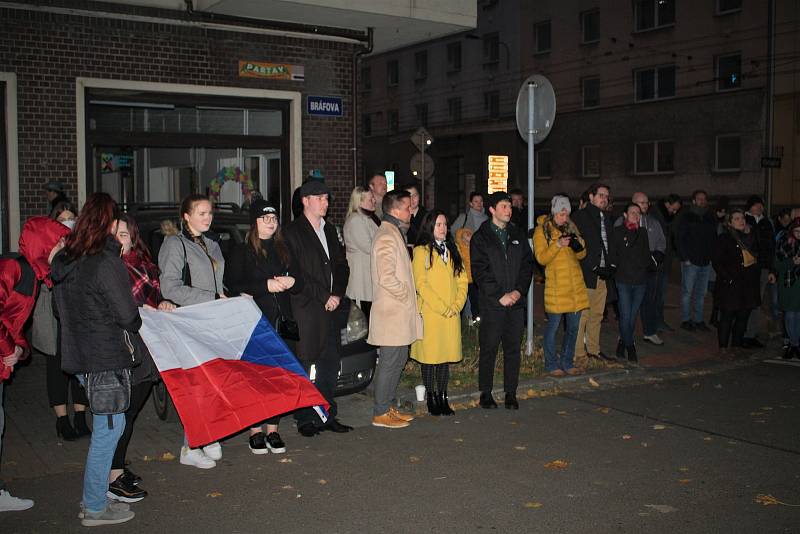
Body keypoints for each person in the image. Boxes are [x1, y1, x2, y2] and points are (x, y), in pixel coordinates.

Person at [51, 193, 139, 526]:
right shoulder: (104, 261)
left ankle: (94, 500)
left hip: (80, 358)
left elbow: (58, 310)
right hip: (105, 360)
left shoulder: (67, 260)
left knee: (105, 430)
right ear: (109, 222)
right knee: (108, 433)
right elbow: (128, 315)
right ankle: (94, 506)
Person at [0, 216, 69, 513]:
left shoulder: (35, 276)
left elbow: (16, 327)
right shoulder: (13, 268)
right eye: (59, 241)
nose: (63, 247)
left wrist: (19, 350)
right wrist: (7, 349)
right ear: (45, 243)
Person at [225, 199, 302, 454]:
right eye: (264, 218)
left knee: (279, 378)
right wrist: (264, 286)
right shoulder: (241, 249)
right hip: (254, 323)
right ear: (254, 222)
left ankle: (273, 429)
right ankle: (255, 430)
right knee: (255, 378)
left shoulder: (285, 247)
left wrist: (291, 280)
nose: (270, 223)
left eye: (274, 218)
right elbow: (232, 284)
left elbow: (300, 280)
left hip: (282, 322)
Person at [106, 214, 174, 503]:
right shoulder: (108, 267)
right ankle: (112, 474)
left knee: (131, 411)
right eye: (113, 234)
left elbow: (154, 296)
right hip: (123, 346)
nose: (118, 239)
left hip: (148, 346)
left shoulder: (145, 265)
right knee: (121, 413)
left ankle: (117, 467)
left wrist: (163, 302)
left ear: (133, 237)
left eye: (123, 234)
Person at [158, 194, 225, 469]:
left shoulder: (212, 244)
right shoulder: (175, 244)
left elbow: (219, 284)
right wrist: (210, 297)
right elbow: (170, 287)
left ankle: (207, 435)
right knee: (198, 385)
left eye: (209, 212)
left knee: (212, 382)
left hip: (213, 320)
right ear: (186, 216)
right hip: (190, 321)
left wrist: (227, 297)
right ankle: (190, 446)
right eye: (201, 213)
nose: (207, 217)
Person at [283, 180, 353, 437]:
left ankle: (326, 413)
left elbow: (342, 265)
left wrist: (337, 294)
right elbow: (296, 272)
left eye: (327, 198)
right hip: (307, 309)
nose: (325, 203)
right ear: (305, 200)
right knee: (304, 365)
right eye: (320, 198)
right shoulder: (291, 232)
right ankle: (304, 418)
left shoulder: (330, 229)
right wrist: (324, 295)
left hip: (332, 307)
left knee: (329, 364)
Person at [31, 201, 90, 441]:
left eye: (71, 218)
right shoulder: (45, 243)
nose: (68, 223)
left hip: (77, 311)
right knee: (56, 365)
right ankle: (62, 420)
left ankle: (80, 416)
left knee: (80, 362)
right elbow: (42, 272)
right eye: (63, 219)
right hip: (53, 311)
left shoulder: (81, 244)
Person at [471, 192, 534, 410]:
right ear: (492, 210)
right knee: (489, 348)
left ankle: (510, 392)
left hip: (515, 303)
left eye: (510, 206)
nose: (509, 210)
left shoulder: (517, 233)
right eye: (504, 206)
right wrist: (500, 295)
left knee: (512, 349)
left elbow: (528, 265)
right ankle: (485, 393)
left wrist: (518, 291)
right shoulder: (481, 237)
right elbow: (480, 271)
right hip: (492, 304)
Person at [369, 190, 421, 428]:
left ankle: (387, 406)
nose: (411, 210)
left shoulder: (394, 232)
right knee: (389, 362)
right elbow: (386, 277)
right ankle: (380, 412)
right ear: (394, 210)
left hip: (398, 313)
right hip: (392, 314)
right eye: (407, 206)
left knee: (398, 359)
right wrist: (406, 296)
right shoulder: (387, 236)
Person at [410, 210, 468, 415]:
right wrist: (443, 307)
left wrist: (457, 305)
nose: (443, 229)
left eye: (445, 224)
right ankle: (431, 398)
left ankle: (443, 396)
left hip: (450, 314)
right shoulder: (421, 251)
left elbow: (462, 280)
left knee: (444, 358)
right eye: (439, 225)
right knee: (430, 358)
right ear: (429, 227)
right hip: (432, 313)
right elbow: (421, 284)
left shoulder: (453, 249)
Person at [533, 196, 589, 377]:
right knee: (553, 328)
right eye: (562, 214)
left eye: (567, 214)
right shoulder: (542, 231)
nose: (565, 218)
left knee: (573, 328)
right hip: (556, 288)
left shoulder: (571, 227)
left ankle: (567, 361)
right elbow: (541, 258)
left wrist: (576, 245)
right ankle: (551, 364)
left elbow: (582, 255)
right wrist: (557, 244)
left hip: (575, 288)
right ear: (554, 212)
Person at [572, 183, 616, 364]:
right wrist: (591, 266)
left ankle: (593, 350)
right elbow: (577, 245)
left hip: (602, 275)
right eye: (600, 195)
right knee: (582, 314)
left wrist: (612, 264)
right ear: (591, 197)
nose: (604, 199)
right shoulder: (581, 217)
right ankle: (578, 353)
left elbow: (609, 244)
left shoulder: (605, 217)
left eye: (606, 196)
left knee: (597, 314)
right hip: (586, 274)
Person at [712, 209, 762, 356]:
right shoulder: (724, 238)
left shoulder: (751, 237)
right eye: (737, 219)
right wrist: (729, 278)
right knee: (727, 316)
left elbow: (759, 255)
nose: (741, 221)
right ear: (730, 223)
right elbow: (717, 261)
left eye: (742, 218)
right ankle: (723, 347)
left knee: (743, 315)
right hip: (731, 285)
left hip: (748, 284)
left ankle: (736, 344)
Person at [618, 192, 666, 346]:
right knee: (628, 306)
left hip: (649, 268)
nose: (645, 205)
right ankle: (625, 334)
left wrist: (655, 260)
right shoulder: (621, 222)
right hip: (629, 270)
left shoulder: (653, 222)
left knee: (649, 301)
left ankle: (650, 332)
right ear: (632, 203)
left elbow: (661, 243)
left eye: (646, 202)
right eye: (641, 202)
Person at [610, 203, 652, 363]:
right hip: (623, 280)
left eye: (638, 213)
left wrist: (647, 266)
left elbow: (646, 255)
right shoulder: (617, 232)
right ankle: (630, 346)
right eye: (632, 212)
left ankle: (622, 342)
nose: (635, 215)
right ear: (625, 215)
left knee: (632, 317)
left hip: (640, 281)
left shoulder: (642, 232)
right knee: (625, 316)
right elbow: (613, 255)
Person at [676, 190, 717, 331]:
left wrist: (712, 256)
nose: (702, 201)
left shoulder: (710, 216)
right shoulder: (686, 216)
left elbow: (714, 238)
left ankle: (698, 320)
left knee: (701, 292)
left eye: (704, 199)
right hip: (691, 261)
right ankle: (686, 320)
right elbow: (679, 238)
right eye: (699, 198)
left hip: (706, 261)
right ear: (693, 200)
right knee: (687, 292)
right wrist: (685, 257)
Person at [743, 195, 777, 348]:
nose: (759, 208)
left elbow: (771, 247)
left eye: (761, 205)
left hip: (762, 267)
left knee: (757, 301)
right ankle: (741, 333)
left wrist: (771, 269)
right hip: (747, 268)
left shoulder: (766, 223)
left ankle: (750, 334)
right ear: (750, 207)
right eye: (756, 205)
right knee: (745, 300)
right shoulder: (743, 219)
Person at [343, 187, 380, 320]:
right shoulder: (356, 221)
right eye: (370, 199)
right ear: (359, 202)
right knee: (361, 321)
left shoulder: (368, 218)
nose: (374, 201)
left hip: (368, 279)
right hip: (361, 281)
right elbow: (370, 247)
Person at [651, 194, 682, 331]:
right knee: (655, 295)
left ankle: (659, 320)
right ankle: (653, 323)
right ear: (667, 204)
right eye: (673, 209)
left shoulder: (669, 217)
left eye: (676, 210)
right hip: (657, 261)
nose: (674, 212)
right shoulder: (655, 215)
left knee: (661, 295)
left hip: (666, 260)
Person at [776, 218, 800, 359]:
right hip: (789, 283)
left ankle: (794, 345)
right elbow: (778, 265)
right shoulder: (784, 243)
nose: (799, 234)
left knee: (799, 315)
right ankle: (794, 344)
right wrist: (792, 261)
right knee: (791, 315)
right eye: (797, 231)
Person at [405, 183, 427, 248]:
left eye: (415, 195)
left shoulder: (426, 216)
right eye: (409, 196)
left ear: (419, 196)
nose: (412, 199)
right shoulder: (399, 215)